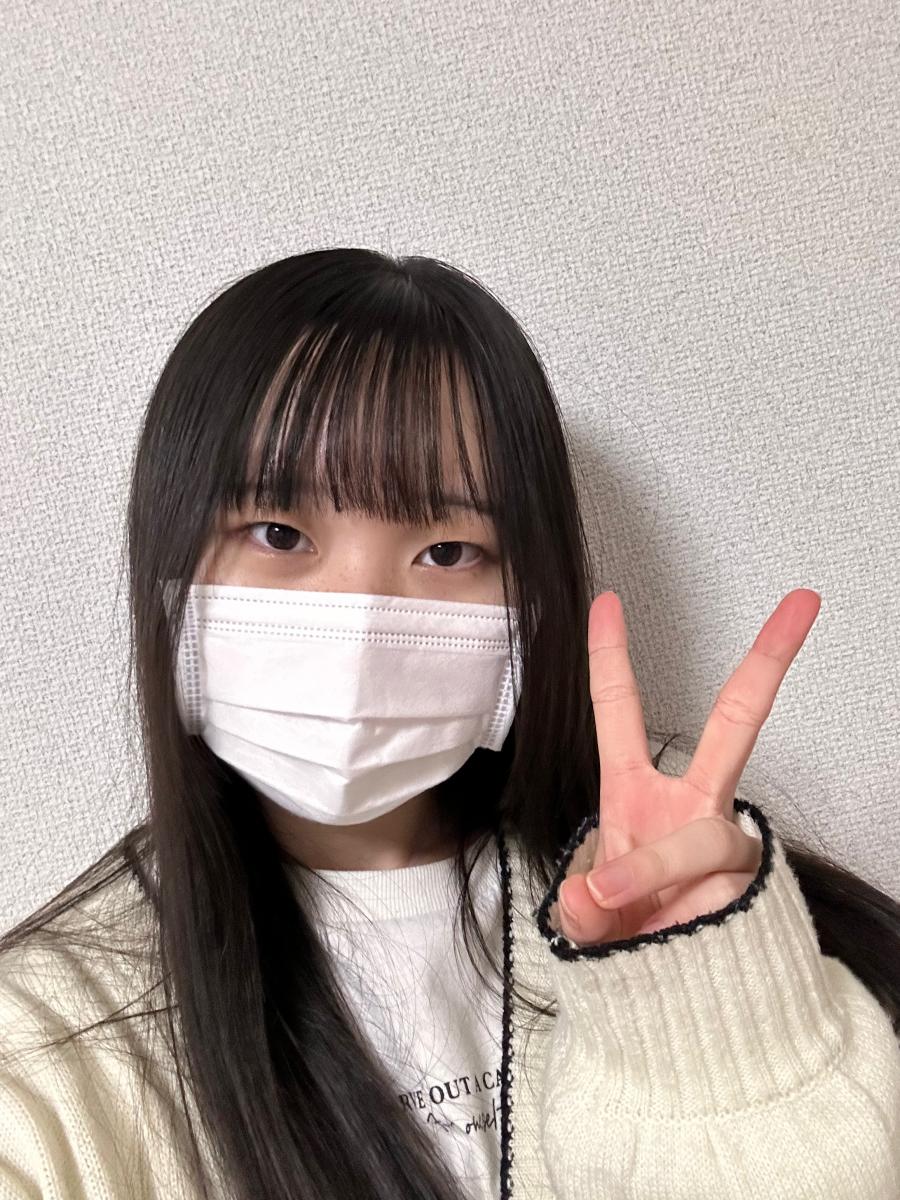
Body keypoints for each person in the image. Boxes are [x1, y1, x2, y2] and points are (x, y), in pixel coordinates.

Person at [0, 248, 897, 1200]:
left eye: (446, 549)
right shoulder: (48, 1052)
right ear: (168, 562)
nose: (360, 618)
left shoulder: (698, 897)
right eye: (279, 534)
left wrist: (708, 1017)